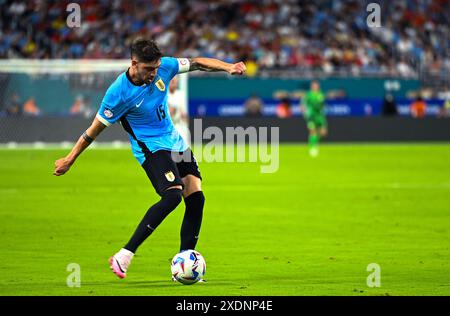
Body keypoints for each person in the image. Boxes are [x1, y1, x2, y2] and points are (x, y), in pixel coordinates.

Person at [53, 39, 246, 279]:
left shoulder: (163, 66)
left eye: (156, 68)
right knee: (173, 194)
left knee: (196, 197)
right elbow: (94, 130)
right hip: (151, 148)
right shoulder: (118, 93)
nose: (154, 73)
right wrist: (70, 158)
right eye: (149, 69)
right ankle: (125, 254)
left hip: (175, 142)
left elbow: (197, 63)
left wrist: (227, 67)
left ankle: (185, 263)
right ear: (134, 63)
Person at [301, 80, 327, 157]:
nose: (316, 87)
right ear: (312, 86)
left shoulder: (321, 94)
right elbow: (303, 104)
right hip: (311, 116)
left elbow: (322, 105)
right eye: (314, 85)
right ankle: (312, 147)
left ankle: (314, 143)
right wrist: (304, 112)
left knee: (323, 133)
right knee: (313, 131)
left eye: (317, 85)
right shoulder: (308, 95)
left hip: (320, 116)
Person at [168, 76, 190, 145]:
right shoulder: (165, 96)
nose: (173, 83)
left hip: (180, 127)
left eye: (174, 81)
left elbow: (185, 115)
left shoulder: (181, 95)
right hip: (168, 129)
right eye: (172, 81)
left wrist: (184, 116)